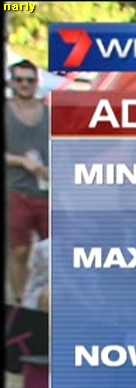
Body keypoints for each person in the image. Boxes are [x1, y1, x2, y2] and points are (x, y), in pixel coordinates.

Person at [5, 60, 50, 305]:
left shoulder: (49, 112)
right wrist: (21, 161)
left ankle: (48, 301)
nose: (24, 84)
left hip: (48, 194)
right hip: (16, 192)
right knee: (20, 251)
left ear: (37, 83)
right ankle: (20, 302)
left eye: (30, 80)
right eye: (19, 79)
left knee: (53, 251)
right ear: (12, 82)